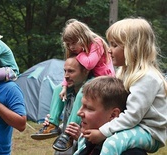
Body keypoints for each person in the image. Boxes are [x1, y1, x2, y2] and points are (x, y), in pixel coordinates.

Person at [83, 17, 167, 154]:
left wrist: (103, 132)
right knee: (86, 137)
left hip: (149, 132)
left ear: (133, 48)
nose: (109, 50)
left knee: (111, 143)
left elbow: (132, 116)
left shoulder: (147, 77)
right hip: (133, 126)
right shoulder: (124, 73)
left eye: (114, 45)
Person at [31, 19, 115, 152]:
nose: (71, 47)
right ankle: (52, 124)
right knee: (59, 88)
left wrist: (79, 55)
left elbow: (89, 64)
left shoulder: (96, 43)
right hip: (91, 78)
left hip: (103, 80)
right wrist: (64, 86)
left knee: (84, 91)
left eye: (73, 43)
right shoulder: (81, 51)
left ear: (82, 37)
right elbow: (71, 75)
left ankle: (69, 132)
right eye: (68, 44)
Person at [31, 55, 91, 154]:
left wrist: (81, 136)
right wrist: (57, 127)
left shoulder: (94, 100)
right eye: (65, 71)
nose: (66, 76)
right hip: (63, 150)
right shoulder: (67, 94)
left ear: (85, 71)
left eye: (71, 71)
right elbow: (66, 122)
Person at [74, 76, 147, 155]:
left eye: (89, 108)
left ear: (113, 115)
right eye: (82, 106)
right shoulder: (90, 142)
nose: (79, 113)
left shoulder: (130, 153)